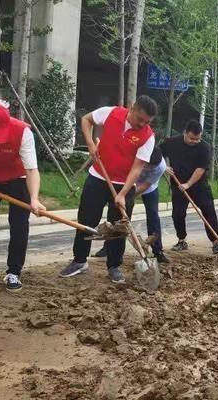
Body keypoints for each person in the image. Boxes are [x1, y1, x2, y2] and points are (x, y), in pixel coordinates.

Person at [60, 95, 158, 283]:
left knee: (119, 228)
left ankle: (114, 266)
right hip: (98, 176)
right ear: (133, 109)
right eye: (140, 119)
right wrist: (89, 143)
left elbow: (137, 167)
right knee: (87, 220)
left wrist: (122, 193)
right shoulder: (111, 113)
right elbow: (86, 119)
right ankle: (79, 261)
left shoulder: (148, 136)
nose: (142, 124)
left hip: (124, 183)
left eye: (147, 122)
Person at [0, 103, 46, 292]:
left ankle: (14, 272)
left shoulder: (22, 132)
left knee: (20, 226)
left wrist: (34, 199)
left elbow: (31, 169)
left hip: (17, 179)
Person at [159, 120, 218, 254]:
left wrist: (188, 184)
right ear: (185, 133)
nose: (194, 141)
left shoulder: (204, 147)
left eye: (197, 139)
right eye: (192, 138)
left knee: (208, 210)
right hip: (179, 185)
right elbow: (157, 153)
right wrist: (163, 166)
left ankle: (216, 241)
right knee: (178, 214)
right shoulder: (172, 142)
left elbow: (201, 169)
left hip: (199, 185)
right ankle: (181, 240)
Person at [93, 147, 169, 263]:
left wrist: (127, 195)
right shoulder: (133, 156)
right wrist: (123, 194)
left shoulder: (161, 167)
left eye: (150, 167)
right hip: (127, 182)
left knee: (153, 216)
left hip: (149, 189)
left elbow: (145, 186)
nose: (147, 168)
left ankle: (158, 251)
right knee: (118, 217)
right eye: (146, 165)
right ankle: (108, 247)